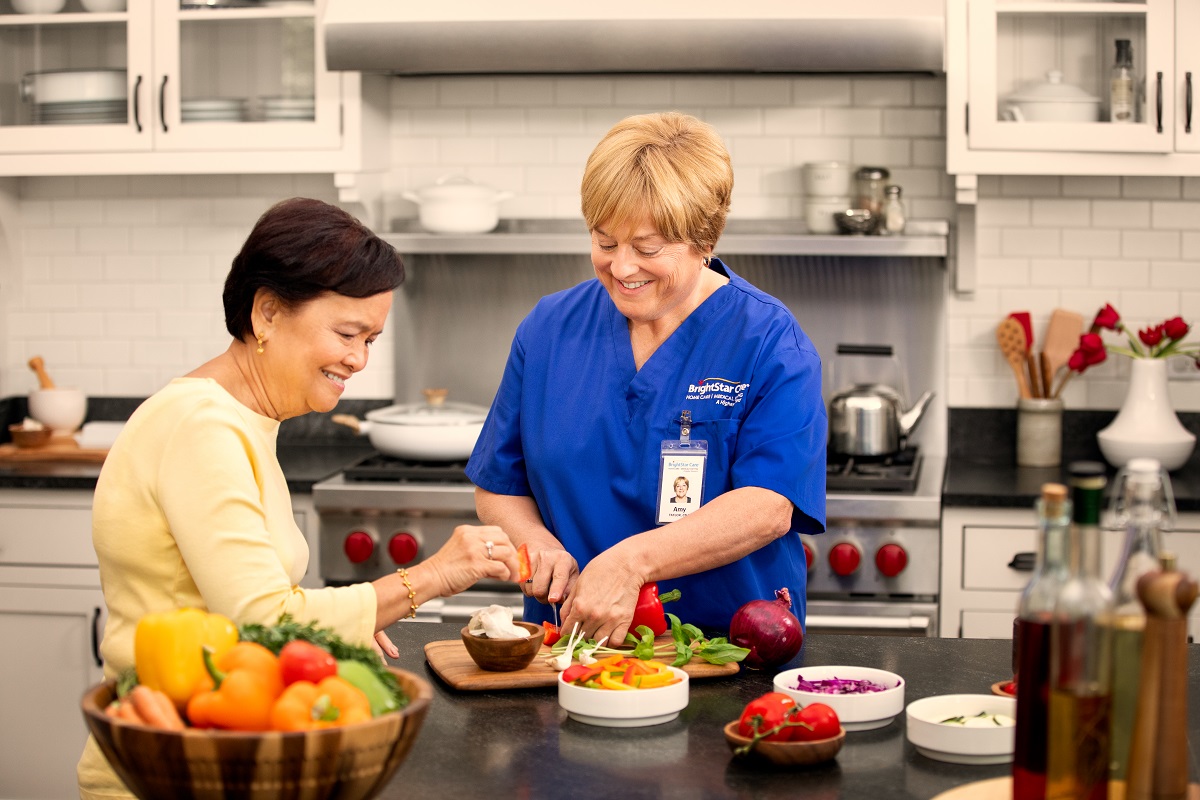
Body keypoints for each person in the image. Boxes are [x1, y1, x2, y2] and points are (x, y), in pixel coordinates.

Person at [79, 198, 521, 800]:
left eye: (371, 339)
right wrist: (434, 575)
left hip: (222, 751)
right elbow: (261, 618)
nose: (359, 359)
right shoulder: (201, 427)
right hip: (172, 766)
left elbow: (242, 604)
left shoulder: (244, 419)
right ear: (266, 312)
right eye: (346, 333)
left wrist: (326, 630)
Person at [466, 112, 826, 648]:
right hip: (569, 650)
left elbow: (769, 505)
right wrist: (536, 544)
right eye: (604, 241)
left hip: (722, 652)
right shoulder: (548, 329)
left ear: (705, 239)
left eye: (648, 247)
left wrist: (632, 564)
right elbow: (499, 484)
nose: (622, 267)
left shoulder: (768, 341)